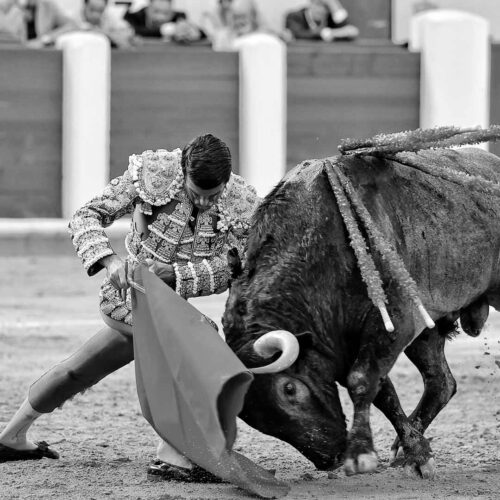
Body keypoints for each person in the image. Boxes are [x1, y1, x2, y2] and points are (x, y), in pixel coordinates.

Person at [0, 134, 260, 482]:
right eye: (196, 191)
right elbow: (85, 216)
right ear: (183, 171)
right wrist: (109, 262)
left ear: (226, 182)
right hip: (128, 296)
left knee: (81, 369)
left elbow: (240, 264)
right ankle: (173, 456)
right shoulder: (152, 175)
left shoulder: (241, 203)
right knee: (200, 345)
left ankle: (11, 438)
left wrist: (177, 273)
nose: (202, 201)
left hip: (170, 304)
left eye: (212, 196)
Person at [27, 0, 134, 48]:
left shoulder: (109, 18)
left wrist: (101, 33)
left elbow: (128, 34)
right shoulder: (72, 18)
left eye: (100, 11)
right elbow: (55, 34)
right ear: (84, 6)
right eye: (92, 10)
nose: (96, 15)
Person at [124, 0, 204, 44]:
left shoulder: (178, 17)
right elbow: (135, 31)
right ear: (147, 9)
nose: (160, 17)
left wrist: (194, 32)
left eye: (165, 13)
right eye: (156, 11)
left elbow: (203, 33)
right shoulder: (134, 16)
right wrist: (164, 30)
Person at [202, 0, 266, 51]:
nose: (239, 21)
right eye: (236, 17)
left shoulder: (261, 38)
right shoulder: (210, 14)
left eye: (242, 17)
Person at [285, 0, 359, 42]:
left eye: (325, 7)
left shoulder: (329, 18)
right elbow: (298, 34)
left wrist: (333, 4)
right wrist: (323, 33)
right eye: (318, 5)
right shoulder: (294, 16)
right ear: (311, 4)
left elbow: (350, 31)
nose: (321, 10)